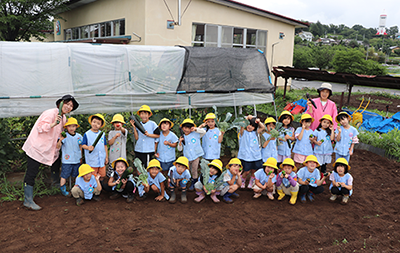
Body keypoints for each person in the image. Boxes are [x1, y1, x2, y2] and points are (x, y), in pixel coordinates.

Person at [22, 94, 79, 210]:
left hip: (48, 149)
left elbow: (58, 134)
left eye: (71, 106)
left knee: (56, 163)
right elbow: (40, 128)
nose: (68, 107)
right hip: (37, 148)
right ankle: (27, 200)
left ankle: (56, 185)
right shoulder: (50, 113)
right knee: (32, 172)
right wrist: (53, 124)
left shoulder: (63, 118)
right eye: (67, 104)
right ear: (60, 103)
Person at [177, 118, 206, 191]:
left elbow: (204, 132)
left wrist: (195, 129)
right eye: (185, 128)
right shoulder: (182, 137)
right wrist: (180, 142)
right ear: (182, 128)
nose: (186, 130)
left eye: (189, 128)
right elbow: (180, 149)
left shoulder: (196, 134)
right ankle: (185, 183)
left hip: (195, 156)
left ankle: (193, 182)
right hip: (187, 157)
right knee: (186, 171)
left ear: (192, 128)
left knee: (194, 170)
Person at [57, 117, 82, 197]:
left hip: (76, 160)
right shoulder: (64, 136)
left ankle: (76, 189)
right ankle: (63, 190)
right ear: (66, 127)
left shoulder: (79, 136)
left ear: (76, 127)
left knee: (76, 175)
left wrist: (80, 156)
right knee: (64, 175)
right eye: (69, 126)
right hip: (67, 161)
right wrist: (60, 140)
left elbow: (80, 146)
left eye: (73, 126)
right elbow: (58, 147)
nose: (71, 128)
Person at [238, 115, 265, 189]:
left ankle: (251, 182)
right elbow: (241, 125)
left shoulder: (256, 133)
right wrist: (246, 118)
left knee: (254, 171)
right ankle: (242, 180)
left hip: (255, 155)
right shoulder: (243, 132)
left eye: (253, 126)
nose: (250, 127)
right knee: (246, 171)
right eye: (249, 124)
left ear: (255, 127)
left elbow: (263, 127)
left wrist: (258, 122)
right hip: (246, 156)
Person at [81, 114, 108, 181]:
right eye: (94, 122)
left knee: (102, 175)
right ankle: (94, 188)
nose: (95, 124)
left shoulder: (102, 134)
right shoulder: (87, 134)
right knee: (93, 176)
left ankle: (100, 187)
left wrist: (106, 157)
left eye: (98, 123)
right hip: (92, 160)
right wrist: (88, 147)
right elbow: (83, 145)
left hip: (101, 158)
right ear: (91, 122)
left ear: (101, 125)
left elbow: (105, 146)